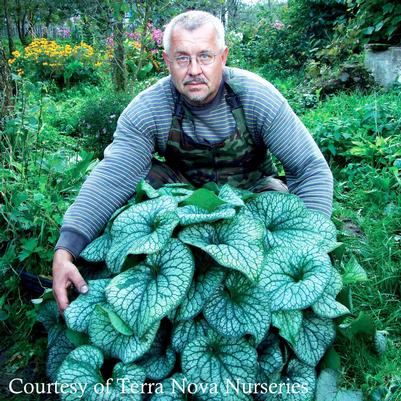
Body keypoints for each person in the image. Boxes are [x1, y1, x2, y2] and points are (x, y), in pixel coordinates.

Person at [52, 10, 333, 312]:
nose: (194, 69)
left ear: (223, 57)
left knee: (281, 198)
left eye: (205, 56)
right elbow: (114, 176)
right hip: (185, 207)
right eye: (183, 58)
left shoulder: (256, 97)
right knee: (140, 180)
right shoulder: (149, 109)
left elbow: (309, 169)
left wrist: (310, 245)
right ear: (167, 61)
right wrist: (66, 249)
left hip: (252, 197)